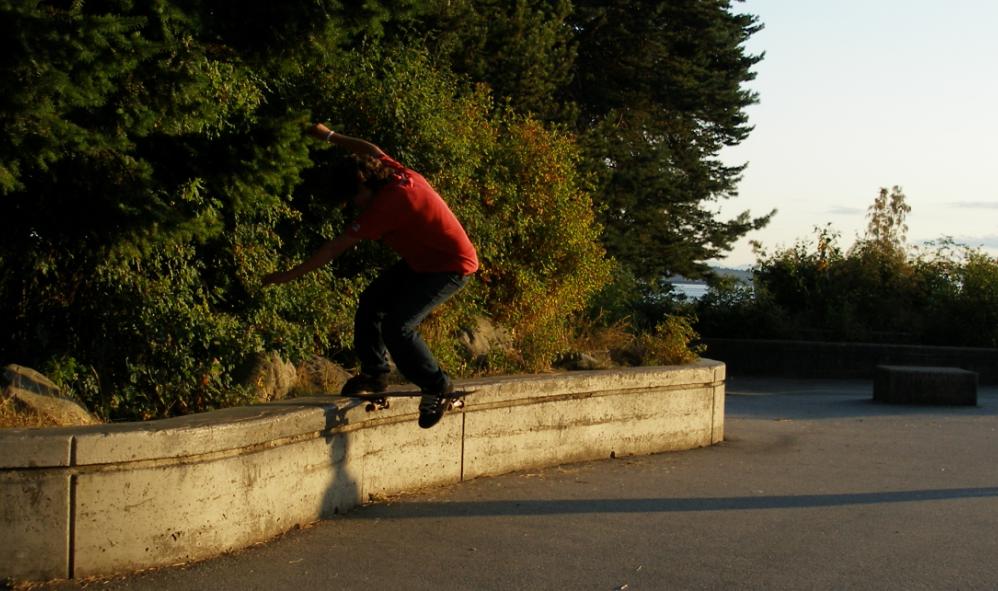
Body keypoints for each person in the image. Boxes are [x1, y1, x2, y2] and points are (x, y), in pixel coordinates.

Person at [262, 123, 478, 428]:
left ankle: (437, 387)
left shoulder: (389, 204)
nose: (356, 205)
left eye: (355, 198)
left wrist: (287, 276)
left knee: (398, 327)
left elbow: (334, 247)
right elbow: (369, 150)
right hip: (423, 262)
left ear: (365, 185)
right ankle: (375, 375)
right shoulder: (391, 173)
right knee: (371, 301)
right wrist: (330, 136)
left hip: (451, 266)